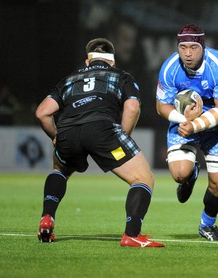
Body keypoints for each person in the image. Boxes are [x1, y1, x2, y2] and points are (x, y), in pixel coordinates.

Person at [35, 38, 164, 248]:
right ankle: (132, 234)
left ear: (88, 61)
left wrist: (55, 136)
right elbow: (132, 108)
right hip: (102, 130)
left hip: (68, 131)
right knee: (143, 178)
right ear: (112, 62)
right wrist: (123, 136)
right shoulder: (121, 76)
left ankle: (47, 218)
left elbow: (42, 113)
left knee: (60, 170)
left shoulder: (69, 79)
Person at [156, 24, 218, 241]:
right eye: (183, 48)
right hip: (185, 121)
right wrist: (184, 120)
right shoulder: (170, 68)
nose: (188, 53)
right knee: (180, 174)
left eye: (193, 47)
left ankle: (207, 225)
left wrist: (195, 124)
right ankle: (190, 176)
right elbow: (161, 106)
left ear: (203, 46)